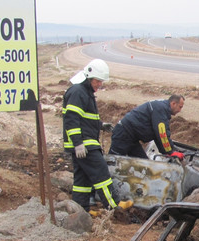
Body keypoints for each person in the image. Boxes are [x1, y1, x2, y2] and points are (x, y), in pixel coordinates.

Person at [62, 59, 130, 212]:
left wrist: (100, 125)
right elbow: (71, 119)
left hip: (83, 143)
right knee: (101, 173)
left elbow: (85, 119)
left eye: (101, 82)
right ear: (89, 76)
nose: (100, 85)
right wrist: (78, 143)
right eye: (98, 81)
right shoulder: (78, 92)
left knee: (82, 180)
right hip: (84, 144)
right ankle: (114, 205)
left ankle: (80, 210)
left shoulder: (84, 92)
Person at [109, 95, 186, 160]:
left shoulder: (161, 107)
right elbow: (162, 133)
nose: (180, 110)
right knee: (113, 161)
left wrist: (168, 151)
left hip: (132, 137)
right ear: (173, 103)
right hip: (123, 134)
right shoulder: (161, 109)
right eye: (180, 107)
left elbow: (157, 135)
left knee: (143, 164)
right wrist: (171, 152)